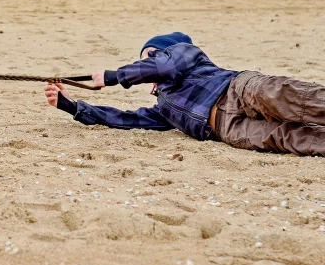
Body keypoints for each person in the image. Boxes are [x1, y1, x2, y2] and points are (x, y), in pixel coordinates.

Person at [44, 32, 325, 155]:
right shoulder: (164, 108)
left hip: (238, 89)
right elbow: (125, 119)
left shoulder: (184, 53)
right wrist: (71, 106)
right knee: (286, 138)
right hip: (225, 128)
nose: (146, 64)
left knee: (295, 100)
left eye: (149, 57)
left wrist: (113, 77)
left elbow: (165, 65)